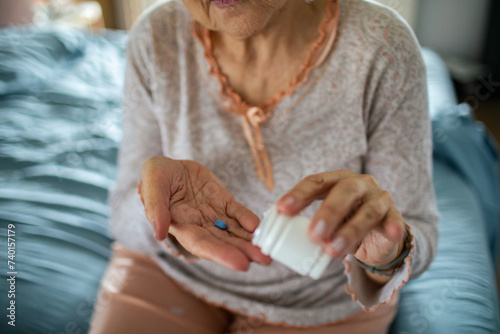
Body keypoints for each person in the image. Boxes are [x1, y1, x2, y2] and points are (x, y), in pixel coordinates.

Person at [89, 0, 439, 333]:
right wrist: (160, 209)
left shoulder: (381, 44)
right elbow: (122, 215)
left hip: (321, 303)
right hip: (172, 275)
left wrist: (385, 255)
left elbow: (418, 230)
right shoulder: (155, 36)